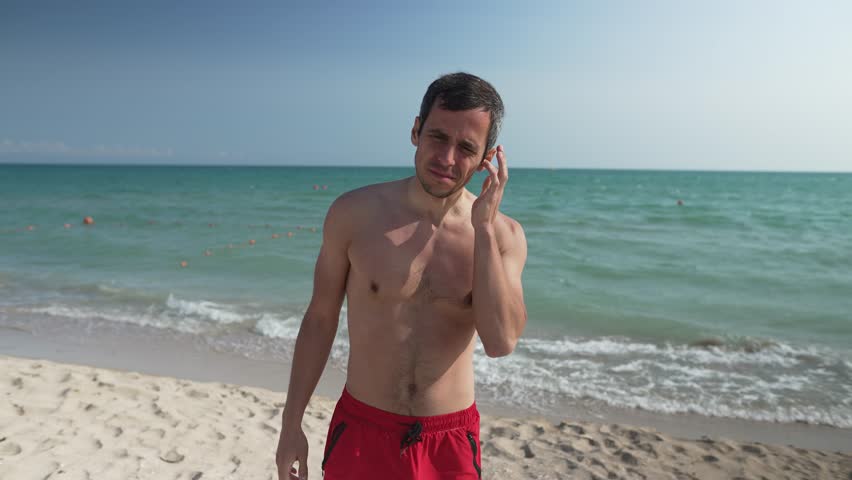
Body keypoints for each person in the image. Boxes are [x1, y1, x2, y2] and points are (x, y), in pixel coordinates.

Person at [276, 72, 528, 480]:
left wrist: (482, 228)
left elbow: (501, 342)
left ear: (486, 160)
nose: (447, 158)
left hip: (449, 443)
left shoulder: (503, 237)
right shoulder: (354, 214)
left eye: (465, 147)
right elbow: (320, 320)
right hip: (362, 431)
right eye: (437, 137)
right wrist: (291, 424)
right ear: (415, 130)